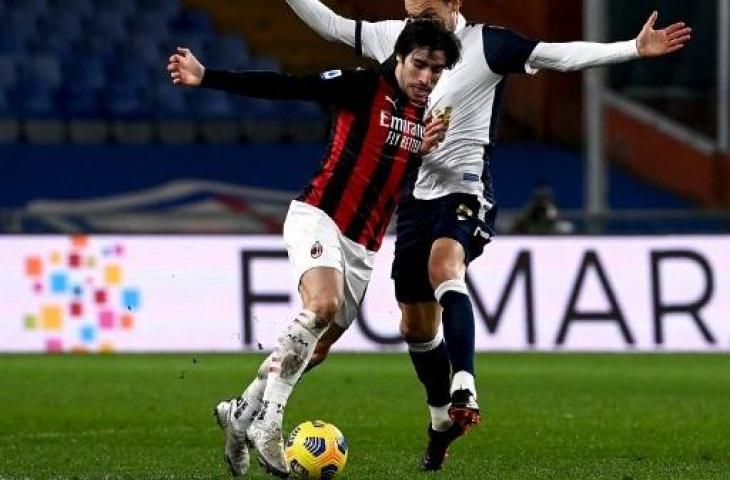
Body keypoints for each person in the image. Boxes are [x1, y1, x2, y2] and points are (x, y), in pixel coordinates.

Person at [281, 0, 693, 471]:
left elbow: (556, 54)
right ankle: (441, 422)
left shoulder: (487, 45)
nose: (416, 8)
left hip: (466, 190)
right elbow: (330, 24)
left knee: (444, 267)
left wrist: (632, 49)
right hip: (413, 199)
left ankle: (465, 383)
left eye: (427, 2)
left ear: (454, 2)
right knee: (416, 327)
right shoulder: (394, 39)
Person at [167, 19, 461, 478]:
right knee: (321, 304)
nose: (426, 78)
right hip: (319, 215)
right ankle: (269, 423)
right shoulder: (363, 86)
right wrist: (208, 76)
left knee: (315, 348)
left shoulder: (422, 118)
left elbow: (391, 163)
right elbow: (288, 87)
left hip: (363, 246)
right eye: (419, 65)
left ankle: (239, 413)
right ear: (400, 58)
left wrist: (420, 150)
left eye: (436, 71)